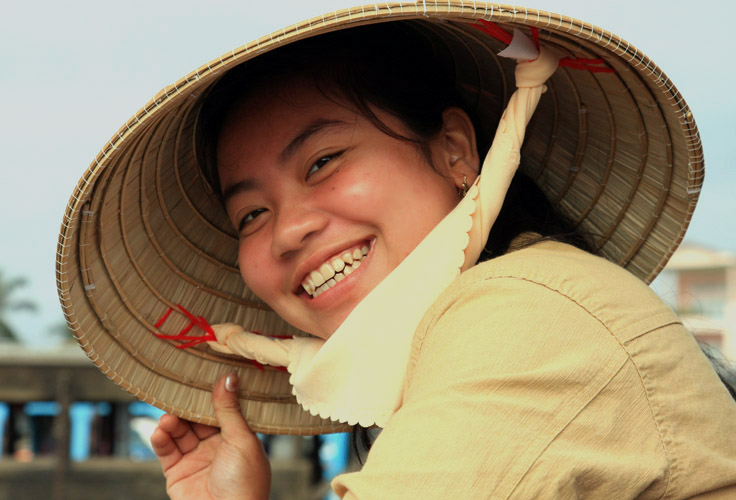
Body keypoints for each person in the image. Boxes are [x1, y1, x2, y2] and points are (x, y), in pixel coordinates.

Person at [56, 4, 736, 499]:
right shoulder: (456, 353)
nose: (287, 230)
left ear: (455, 150)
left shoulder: (527, 313)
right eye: (252, 213)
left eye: (323, 161)